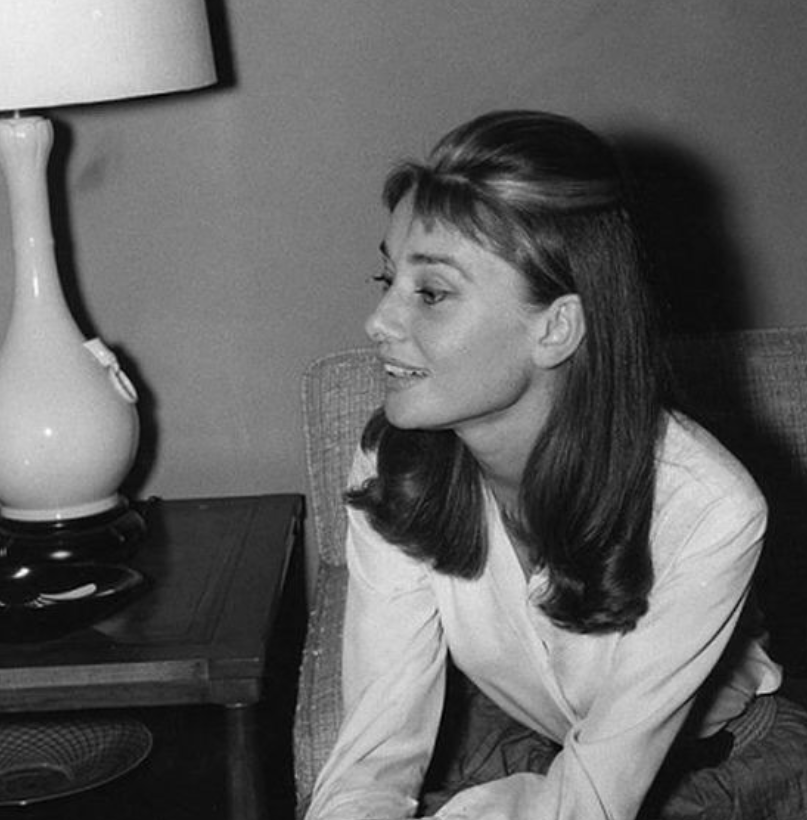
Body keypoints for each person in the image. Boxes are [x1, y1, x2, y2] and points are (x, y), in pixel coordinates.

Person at [304, 110, 807, 820]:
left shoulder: (710, 509)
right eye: (387, 277)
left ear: (557, 327)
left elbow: (592, 800)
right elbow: (369, 762)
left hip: (714, 774)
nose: (379, 321)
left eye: (432, 293)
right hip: (528, 746)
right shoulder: (394, 465)